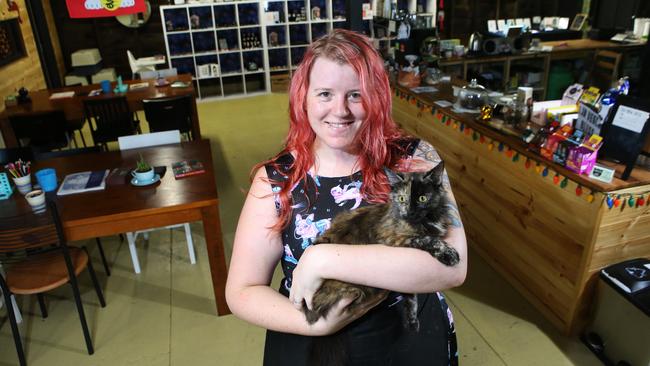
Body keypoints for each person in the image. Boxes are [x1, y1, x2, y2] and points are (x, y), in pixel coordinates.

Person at [226, 29, 467, 365]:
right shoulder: (277, 181)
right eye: (325, 94)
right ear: (303, 97)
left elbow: (451, 265)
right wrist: (313, 326)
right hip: (313, 347)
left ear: (378, 97)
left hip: (407, 341)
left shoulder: (412, 160)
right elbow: (241, 291)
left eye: (356, 95)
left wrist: (322, 259)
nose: (339, 111)